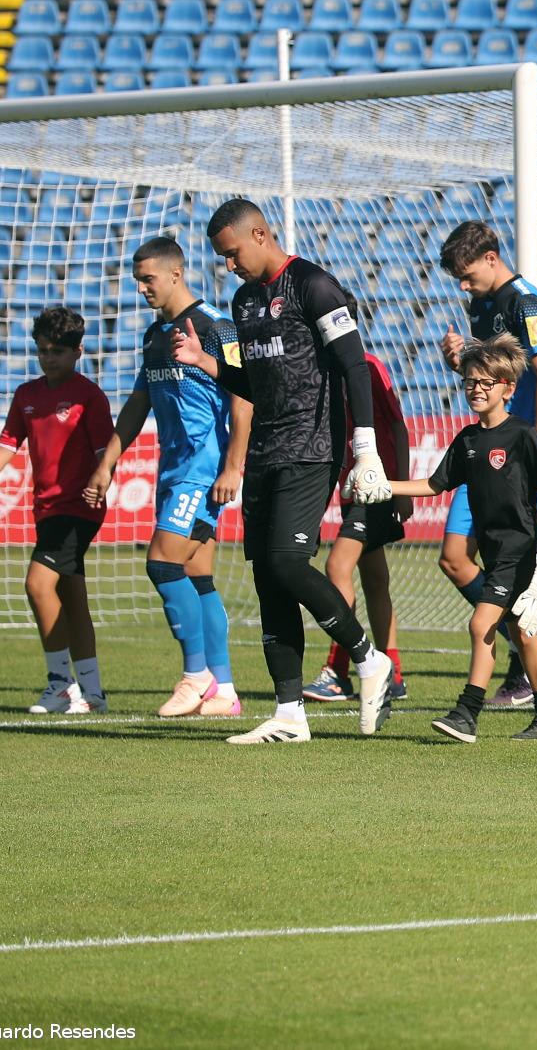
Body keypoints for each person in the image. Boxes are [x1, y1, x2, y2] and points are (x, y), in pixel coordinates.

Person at [174, 198, 395, 743]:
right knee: (268, 580)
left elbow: (352, 366)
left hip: (312, 449)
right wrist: (209, 364)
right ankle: (290, 713)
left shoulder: (314, 285)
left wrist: (363, 445)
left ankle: (370, 661)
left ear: (260, 233)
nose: (229, 265)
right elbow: (258, 385)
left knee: (287, 562)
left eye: (232, 253)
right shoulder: (245, 302)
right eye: (222, 258)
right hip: (266, 454)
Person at [85, 238, 250, 718]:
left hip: (203, 469)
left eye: (148, 279)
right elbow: (139, 404)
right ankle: (223, 689)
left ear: (175, 274)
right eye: (137, 280)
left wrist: (233, 465)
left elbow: (245, 397)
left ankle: (195, 675)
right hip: (173, 469)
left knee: (161, 565)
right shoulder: (156, 334)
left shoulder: (216, 327)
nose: (141, 289)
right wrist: (107, 461)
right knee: (199, 578)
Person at [387, 337, 537, 741]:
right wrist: (386, 486)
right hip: (495, 550)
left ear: (508, 388)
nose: (477, 389)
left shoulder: (522, 435)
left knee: (480, 623)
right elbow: (434, 486)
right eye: (471, 382)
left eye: (487, 382)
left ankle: (466, 713)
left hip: (521, 548)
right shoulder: (467, 440)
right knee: (524, 635)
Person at [0, 306, 113, 714]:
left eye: (58, 351)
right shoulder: (26, 395)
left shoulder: (89, 396)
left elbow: (105, 451)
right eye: (43, 350)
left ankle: (60, 685)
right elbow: (7, 444)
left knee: (37, 584)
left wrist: (103, 478)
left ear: (78, 352)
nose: (49, 358)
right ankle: (93, 691)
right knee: (71, 594)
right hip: (46, 507)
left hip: (79, 507)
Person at [437, 221, 537, 708]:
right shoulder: (480, 305)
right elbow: (485, 374)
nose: (463, 287)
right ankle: (517, 639)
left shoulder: (526, 303)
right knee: (453, 557)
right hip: (485, 453)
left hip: (520, 456)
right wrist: (459, 358)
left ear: (491, 258)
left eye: (468, 276)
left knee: (522, 569)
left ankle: (531, 677)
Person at [302, 292, 412, 705]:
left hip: (376, 485)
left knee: (337, 565)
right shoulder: (324, 372)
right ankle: (393, 672)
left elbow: (398, 429)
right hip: (354, 489)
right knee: (374, 580)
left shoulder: (367, 366)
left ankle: (340, 670)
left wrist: (400, 487)